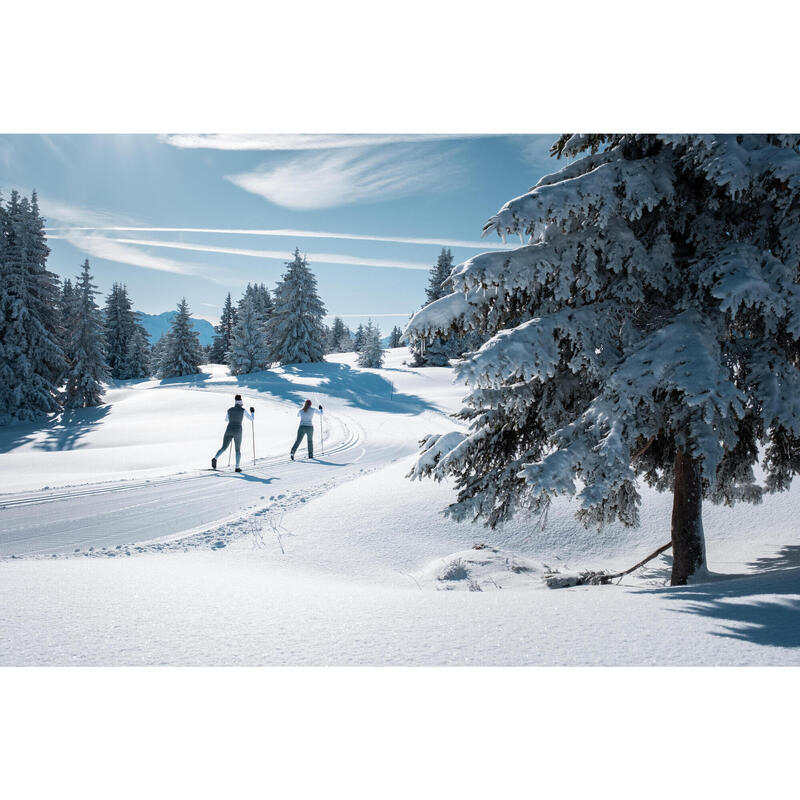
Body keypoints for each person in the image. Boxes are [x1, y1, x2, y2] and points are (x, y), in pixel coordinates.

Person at [212, 394, 254, 472]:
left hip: (229, 430)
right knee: (237, 450)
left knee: (223, 447)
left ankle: (215, 458)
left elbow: (226, 420)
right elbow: (251, 419)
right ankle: (237, 467)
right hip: (238, 431)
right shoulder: (243, 410)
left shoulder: (229, 410)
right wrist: (252, 412)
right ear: (241, 403)